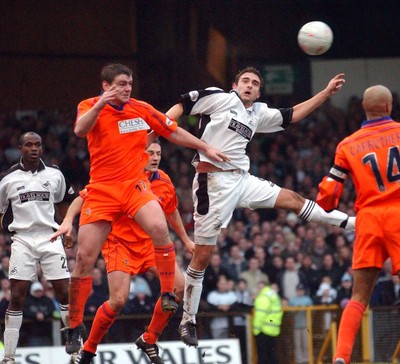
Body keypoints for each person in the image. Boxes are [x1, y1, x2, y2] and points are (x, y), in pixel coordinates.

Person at [165, 67, 355, 347]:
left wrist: (326, 94)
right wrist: (163, 129)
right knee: (202, 257)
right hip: (213, 183)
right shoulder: (219, 98)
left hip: (243, 179)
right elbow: (180, 106)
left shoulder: (257, 113)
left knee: (293, 199)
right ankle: (188, 319)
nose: (250, 86)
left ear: (259, 91)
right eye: (245, 81)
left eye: (255, 83)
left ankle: (354, 223)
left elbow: (292, 114)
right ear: (235, 85)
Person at [65, 63, 227, 356]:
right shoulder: (89, 105)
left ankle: (166, 296)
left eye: (129, 84)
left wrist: (205, 148)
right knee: (83, 259)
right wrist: (102, 102)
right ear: (106, 86)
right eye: (122, 84)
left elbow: (172, 131)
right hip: (102, 190)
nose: (127, 89)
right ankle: (75, 327)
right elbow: (79, 130)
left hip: (132, 186)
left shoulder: (141, 109)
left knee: (158, 228)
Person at [52, 140, 194, 364]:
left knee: (179, 286)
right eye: (150, 153)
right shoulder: (121, 172)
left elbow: (171, 210)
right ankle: (88, 349)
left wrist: (186, 240)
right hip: (120, 244)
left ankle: (149, 339)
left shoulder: (163, 180)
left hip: (148, 246)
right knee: (118, 300)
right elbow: (83, 197)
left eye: (158, 153)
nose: (155, 157)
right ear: (139, 154)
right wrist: (68, 220)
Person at [316, 85, 400, 364]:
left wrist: (326, 201)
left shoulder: (347, 144)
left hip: (368, 221)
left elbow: (328, 197)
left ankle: (341, 357)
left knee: (358, 296)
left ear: (364, 107)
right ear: (389, 107)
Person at [0, 132, 74, 364]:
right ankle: (9, 357)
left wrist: (67, 229)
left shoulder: (55, 174)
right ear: (20, 148)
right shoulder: (7, 179)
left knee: (64, 293)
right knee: (18, 297)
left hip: (50, 237)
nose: (34, 148)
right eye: (29, 145)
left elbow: (64, 202)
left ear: (42, 148)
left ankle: (78, 350)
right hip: (22, 238)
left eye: (38, 145)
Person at [252, 280, 283, 364]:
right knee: (272, 354)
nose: (259, 289)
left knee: (263, 356)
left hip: (263, 329)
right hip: (273, 329)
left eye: (260, 287)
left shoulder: (262, 297)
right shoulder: (273, 295)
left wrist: (256, 330)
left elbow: (260, 315)